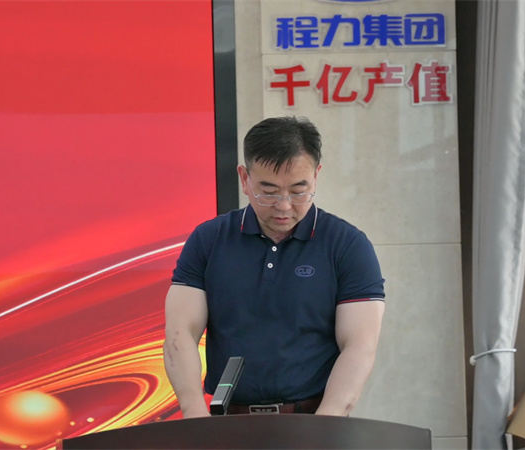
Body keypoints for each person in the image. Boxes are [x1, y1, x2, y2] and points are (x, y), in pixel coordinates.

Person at [162, 116, 385, 418]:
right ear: (244, 178)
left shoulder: (347, 246)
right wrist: (194, 415)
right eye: (268, 192)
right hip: (227, 422)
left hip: (313, 419)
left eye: (298, 191)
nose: (284, 205)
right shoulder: (209, 240)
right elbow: (180, 332)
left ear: (316, 176)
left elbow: (359, 345)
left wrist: (325, 425)